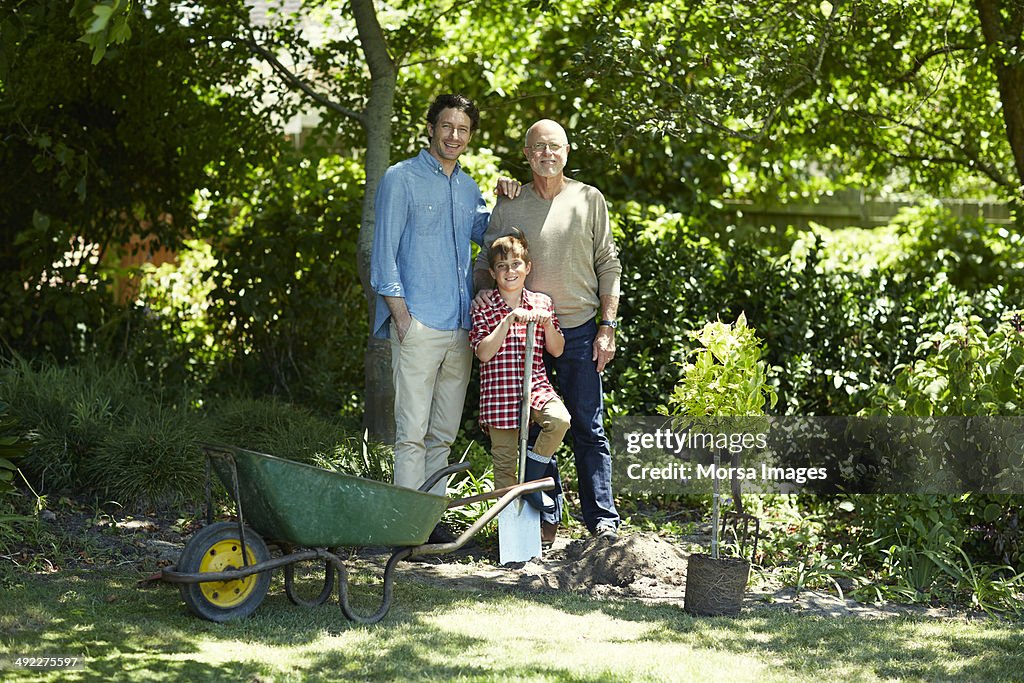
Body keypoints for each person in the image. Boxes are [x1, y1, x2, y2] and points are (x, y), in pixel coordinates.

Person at [473, 119, 622, 542]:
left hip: (575, 330)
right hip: (524, 332)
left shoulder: (589, 199)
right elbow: (486, 263)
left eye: (554, 146)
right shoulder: (510, 204)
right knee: (533, 427)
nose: (547, 154)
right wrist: (487, 295)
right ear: (526, 153)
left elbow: (609, 265)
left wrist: (607, 326)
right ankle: (545, 518)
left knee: (588, 428)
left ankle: (603, 523)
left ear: (568, 151)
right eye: (538, 147)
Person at [370, 93, 490, 512]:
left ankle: (429, 521)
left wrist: (510, 196)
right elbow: (383, 253)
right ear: (431, 128)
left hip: (460, 327)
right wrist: (401, 316)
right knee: (411, 433)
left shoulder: (469, 186)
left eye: (463, 129)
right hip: (418, 323)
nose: (454, 136)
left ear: (470, 136)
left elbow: (493, 238)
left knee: (442, 434)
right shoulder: (400, 178)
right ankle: (404, 526)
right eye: (447, 126)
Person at [470, 231, 570, 545]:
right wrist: (509, 319)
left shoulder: (542, 303)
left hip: (534, 386)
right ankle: (511, 540)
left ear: (528, 267)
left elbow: (556, 350)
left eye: (516, 264)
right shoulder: (484, 307)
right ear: (492, 273)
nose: (510, 270)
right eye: (502, 266)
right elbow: (483, 353)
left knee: (560, 420)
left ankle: (531, 480)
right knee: (503, 469)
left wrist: (546, 323)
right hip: (499, 394)